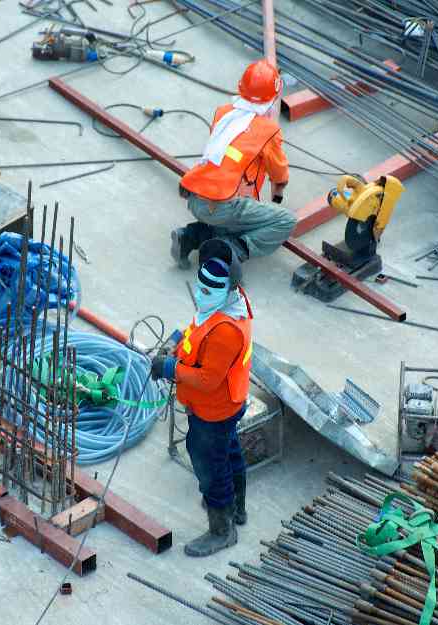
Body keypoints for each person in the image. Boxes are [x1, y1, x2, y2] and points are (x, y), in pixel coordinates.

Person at [151, 239, 253, 557]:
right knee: (229, 451)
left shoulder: (226, 331)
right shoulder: (226, 304)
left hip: (214, 409)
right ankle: (237, 509)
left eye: (208, 291)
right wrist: (176, 342)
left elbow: (208, 380)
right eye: (200, 287)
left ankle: (222, 530)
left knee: (211, 467)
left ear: (227, 289)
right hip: (226, 405)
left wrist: (170, 367)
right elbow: (197, 328)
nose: (200, 295)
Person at [172, 60, 296, 268]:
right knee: (284, 221)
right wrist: (278, 192)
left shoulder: (223, 112)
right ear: (273, 98)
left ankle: (189, 237)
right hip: (222, 205)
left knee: (232, 216)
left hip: (195, 197)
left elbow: (228, 152)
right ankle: (231, 251)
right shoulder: (269, 130)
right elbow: (279, 173)